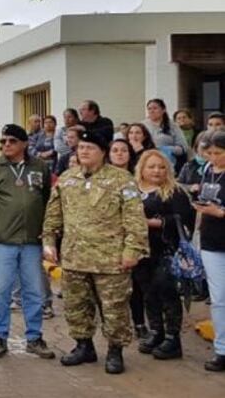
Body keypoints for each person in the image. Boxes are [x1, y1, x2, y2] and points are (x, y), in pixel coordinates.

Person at [42, 130, 149, 374]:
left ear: (103, 152)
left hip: (110, 260)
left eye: (90, 147)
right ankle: (84, 346)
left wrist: (132, 250)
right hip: (75, 257)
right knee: (76, 305)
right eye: (81, 148)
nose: (84, 152)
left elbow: (134, 220)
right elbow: (53, 215)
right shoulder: (67, 179)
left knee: (114, 307)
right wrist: (49, 241)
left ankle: (115, 350)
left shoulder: (122, 180)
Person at [0, 125, 56, 359]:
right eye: (3, 141)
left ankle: (34, 338)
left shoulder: (40, 167)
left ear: (24, 144)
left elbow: (45, 199)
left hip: (32, 241)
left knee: (34, 292)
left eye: (12, 140)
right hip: (4, 241)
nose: (6, 145)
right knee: (1, 292)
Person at [134, 150, 195, 360]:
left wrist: (153, 223)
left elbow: (184, 220)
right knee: (148, 292)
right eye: (151, 166)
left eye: (161, 167)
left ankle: (172, 337)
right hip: (141, 251)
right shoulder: (132, 190)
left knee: (166, 292)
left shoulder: (174, 191)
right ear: (142, 168)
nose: (157, 171)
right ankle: (156, 331)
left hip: (166, 250)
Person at [195, 130, 225, 372]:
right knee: (219, 299)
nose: (215, 158)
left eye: (220, 153)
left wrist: (222, 213)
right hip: (211, 241)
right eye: (211, 153)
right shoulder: (206, 170)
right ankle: (222, 349)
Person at [143, 99, 189, 171]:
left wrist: (167, 149)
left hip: (169, 163)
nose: (151, 111)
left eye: (155, 108)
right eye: (149, 109)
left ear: (163, 110)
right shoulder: (142, 125)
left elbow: (183, 147)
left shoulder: (173, 126)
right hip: (147, 160)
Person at [178, 131, 212, 198]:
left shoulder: (218, 167)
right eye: (203, 149)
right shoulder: (188, 166)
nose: (206, 153)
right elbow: (178, 185)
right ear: (196, 148)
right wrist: (190, 187)